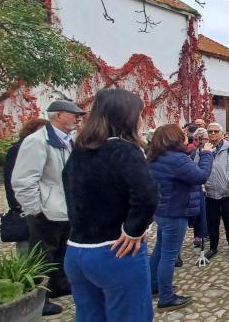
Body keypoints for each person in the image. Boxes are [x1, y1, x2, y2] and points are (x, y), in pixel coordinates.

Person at [61, 89, 160, 321]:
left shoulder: (79, 150)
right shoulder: (124, 149)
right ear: (127, 116)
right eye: (140, 114)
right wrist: (133, 229)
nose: (142, 120)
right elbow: (147, 195)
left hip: (77, 252)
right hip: (114, 252)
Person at [12, 99, 85, 316]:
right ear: (58, 115)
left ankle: (59, 285)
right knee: (42, 255)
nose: (78, 118)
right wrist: (35, 208)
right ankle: (39, 299)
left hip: (65, 208)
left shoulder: (67, 140)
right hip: (46, 209)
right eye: (73, 114)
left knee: (62, 250)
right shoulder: (37, 141)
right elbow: (24, 179)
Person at [148, 124, 213, 312]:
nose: (187, 137)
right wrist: (207, 154)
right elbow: (200, 176)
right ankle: (166, 298)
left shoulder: (155, 156)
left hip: (162, 211)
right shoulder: (177, 159)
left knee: (160, 250)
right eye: (183, 135)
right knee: (169, 255)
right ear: (174, 138)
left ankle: (154, 286)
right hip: (175, 212)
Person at [3, 118, 48, 255]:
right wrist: (20, 204)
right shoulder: (17, 149)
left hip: (43, 206)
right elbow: (13, 180)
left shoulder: (44, 147)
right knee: (27, 247)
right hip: (25, 207)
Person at [201, 123, 229, 260]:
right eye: (210, 131)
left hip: (228, 193)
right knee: (212, 222)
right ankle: (213, 247)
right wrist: (202, 184)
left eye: (216, 131)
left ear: (221, 132)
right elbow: (198, 167)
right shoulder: (203, 149)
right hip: (210, 192)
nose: (213, 134)